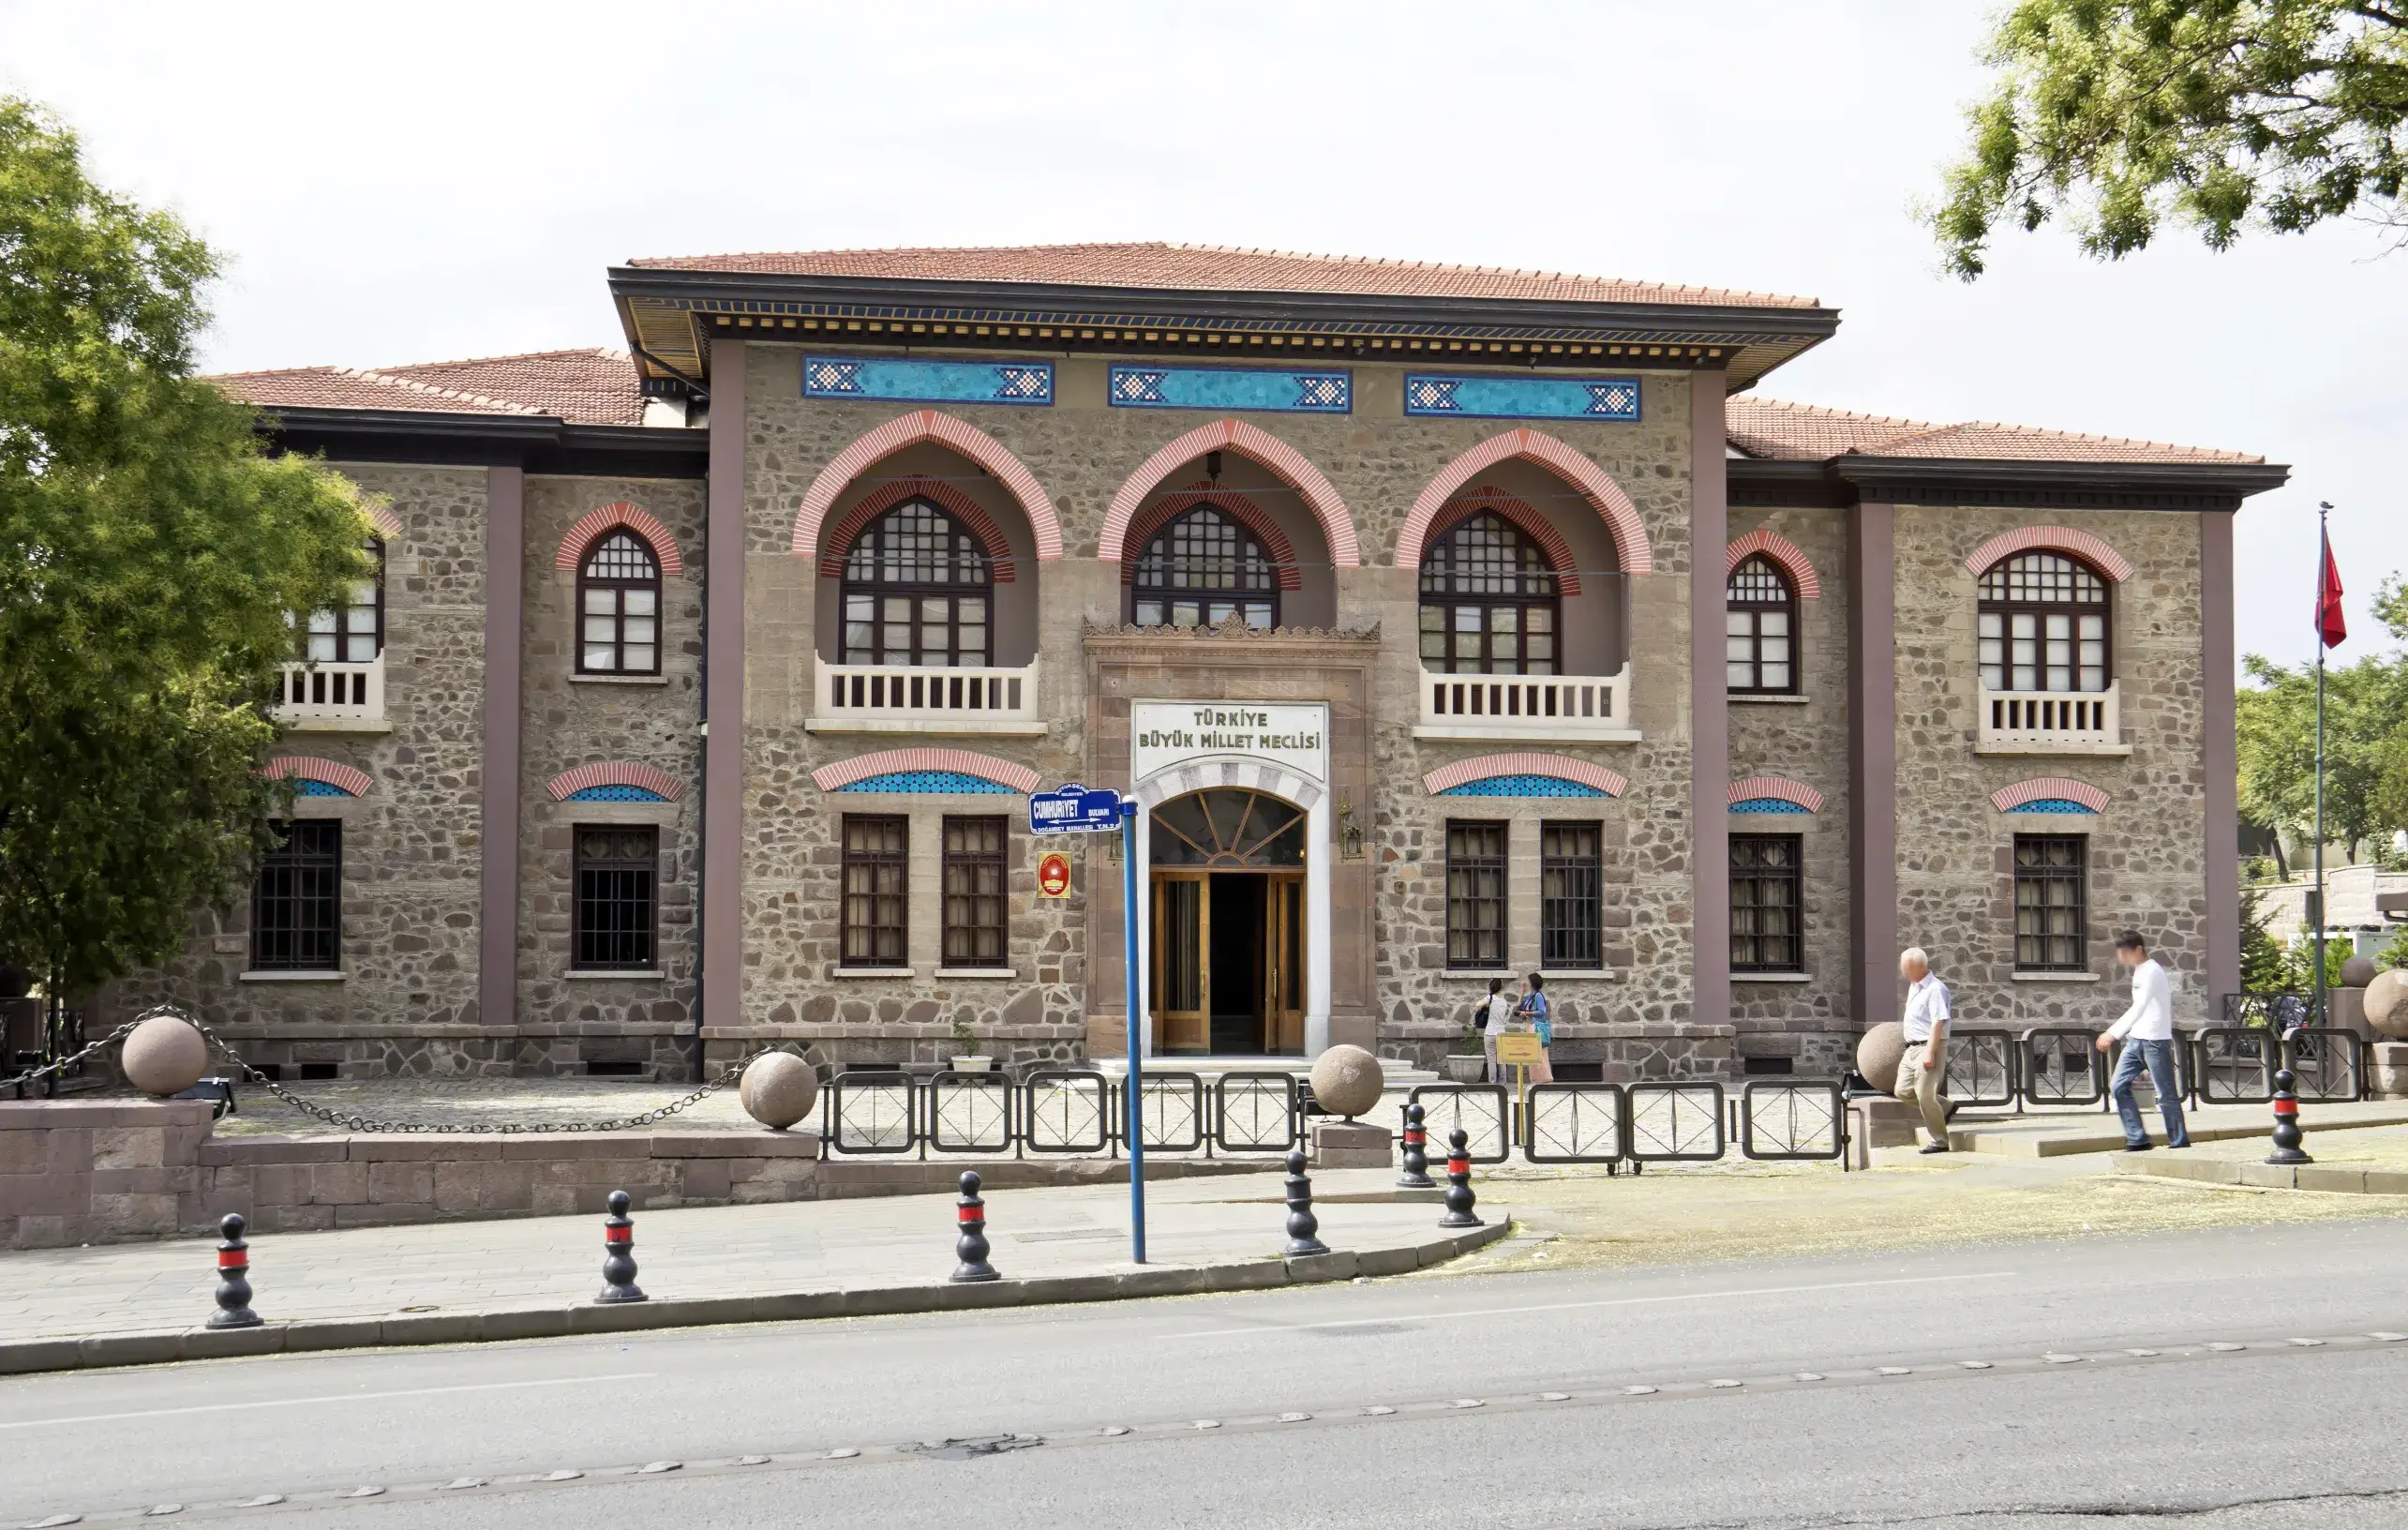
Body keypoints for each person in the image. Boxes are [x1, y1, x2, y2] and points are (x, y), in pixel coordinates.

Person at [2096, 930, 2190, 1149]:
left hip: (2155, 1040)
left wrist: (2112, 1033)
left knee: (2165, 1093)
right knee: (2118, 1086)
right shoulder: (2140, 971)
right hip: (2136, 1039)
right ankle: (2137, 1137)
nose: (2122, 958)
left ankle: (2179, 1141)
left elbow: (2140, 1006)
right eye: (2120, 953)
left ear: (2138, 949)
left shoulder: (2152, 971)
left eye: (2126, 953)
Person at [1895, 948, 1952, 1153]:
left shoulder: (1936, 989)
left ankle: (1939, 1141)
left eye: (1905, 967)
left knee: (1925, 1096)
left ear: (1919, 967)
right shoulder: (1915, 986)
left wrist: (1930, 1051)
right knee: (1902, 1091)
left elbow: (1938, 1021)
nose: (1902, 971)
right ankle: (1945, 1108)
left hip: (1928, 1045)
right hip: (1911, 1048)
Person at [1515, 971, 1554, 1085]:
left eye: (1528, 981)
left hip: (1536, 1026)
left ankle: (1546, 1077)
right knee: (1533, 1053)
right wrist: (1521, 992)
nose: (1526, 983)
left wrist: (1527, 1013)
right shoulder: (1531, 996)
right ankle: (1537, 1078)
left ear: (1532, 983)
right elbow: (1519, 1007)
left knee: (1539, 1053)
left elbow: (1542, 1011)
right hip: (1530, 1025)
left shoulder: (1538, 995)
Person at [1481, 977, 1512, 1085]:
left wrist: (1485, 1004)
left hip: (1490, 1032)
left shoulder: (1490, 998)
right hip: (1501, 1033)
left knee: (1491, 1060)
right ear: (1501, 987)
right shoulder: (1504, 1001)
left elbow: (1478, 1005)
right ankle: (1502, 1082)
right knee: (1501, 1060)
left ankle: (1492, 1083)